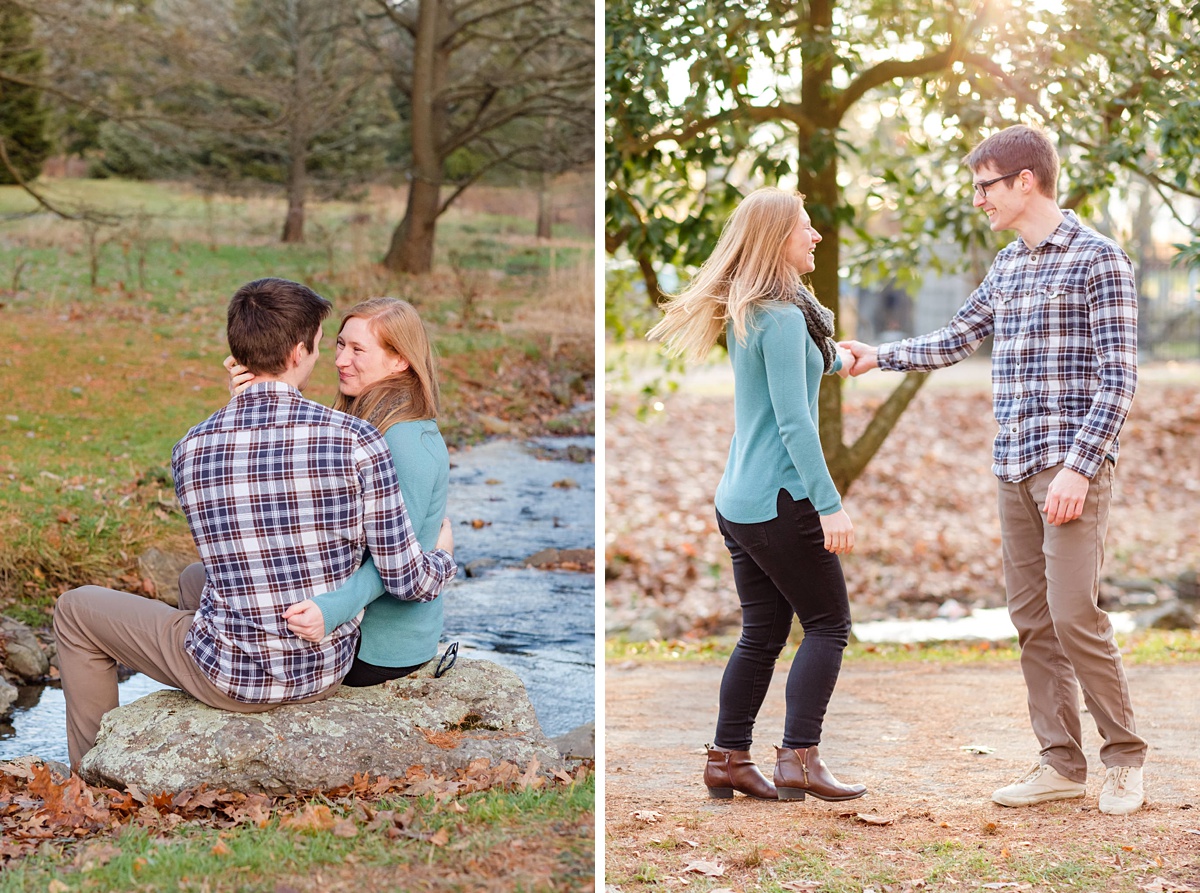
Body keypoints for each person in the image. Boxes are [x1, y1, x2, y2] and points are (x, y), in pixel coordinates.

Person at [840, 124, 1146, 815]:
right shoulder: (1008, 265)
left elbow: (1120, 378)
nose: (977, 198)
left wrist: (1079, 467)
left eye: (985, 185)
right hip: (1011, 467)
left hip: (1071, 472)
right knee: (1033, 620)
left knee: (1074, 613)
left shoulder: (1100, 259)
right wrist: (878, 356)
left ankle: (1125, 756)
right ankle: (1060, 763)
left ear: (1025, 181)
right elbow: (957, 337)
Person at [53, 278, 457, 771]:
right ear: (298, 351)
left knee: (74, 610)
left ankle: (90, 776)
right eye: (327, 343)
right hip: (324, 667)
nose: (333, 358)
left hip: (239, 676)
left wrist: (237, 408)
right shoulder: (356, 438)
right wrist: (443, 557)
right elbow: (405, 575)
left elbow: (241, 546)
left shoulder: (192, 448)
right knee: (191, 580)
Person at [648, 187, 867, 803]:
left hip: (738, 502)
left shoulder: (757, 311)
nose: (816, 234)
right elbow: (795, 423)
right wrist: (830, 505)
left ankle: (727, 759)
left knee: (762, 634)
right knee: (828, 626)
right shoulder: (784, 316)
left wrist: (841, 362)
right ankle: (800, 757)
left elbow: (790, 371)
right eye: (805, 225)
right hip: (781, 501)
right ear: (776, 239)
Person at [223, 297, 452, 685]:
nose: (341, 360)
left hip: (376, 647)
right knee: (202, 581)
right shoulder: (354, 425)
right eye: (340, 344)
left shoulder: (406, 441)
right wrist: (248, 403)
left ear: (400, 360)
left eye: (358, 349)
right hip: (334, 616)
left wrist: (328, 611)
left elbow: (397, 563)